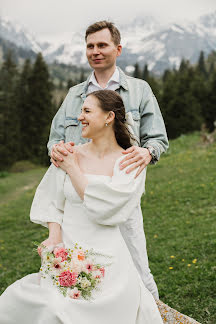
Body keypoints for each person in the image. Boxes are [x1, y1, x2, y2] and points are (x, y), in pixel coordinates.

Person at [0, 90, 163, 324]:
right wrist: (53, 238)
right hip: (67, 251)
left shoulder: (130, 161)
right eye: (80, 110)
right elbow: (52, 200)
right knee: (40, 305)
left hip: (108, 259)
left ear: (109, 117)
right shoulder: (69, 153)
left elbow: (106, 211)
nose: (79, 117)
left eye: (87, 111)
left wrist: (73, 168)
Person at [48, 20, 169, 299]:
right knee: (81, 270)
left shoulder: (139, 90)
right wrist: (56, 150)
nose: (95, 51)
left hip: (119, 194)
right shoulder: (74, 95)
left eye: (102, 45)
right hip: (77, 200)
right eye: (90, 46)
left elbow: (158, 138)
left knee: (137, 265)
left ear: (118, 48)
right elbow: (55, 138)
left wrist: (148, 152)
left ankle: (150, 309)